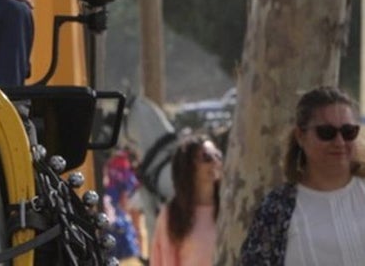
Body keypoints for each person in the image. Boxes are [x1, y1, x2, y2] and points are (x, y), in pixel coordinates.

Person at [241, 86, 365, 265]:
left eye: (348, 132)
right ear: (300, 136)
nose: (339, 142)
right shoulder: (278, 208)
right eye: (326, 133)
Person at [151, 134, 222, 266]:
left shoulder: (231, 209)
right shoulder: (171, 214)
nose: (215, 162)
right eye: (206, 157)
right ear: (188, 166)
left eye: (218, 155)